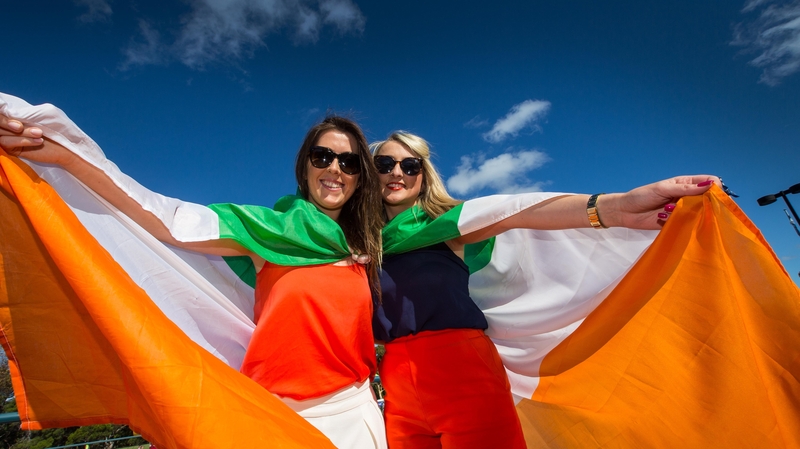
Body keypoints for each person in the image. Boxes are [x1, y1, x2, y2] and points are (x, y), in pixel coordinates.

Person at [0, 114, 388, 449]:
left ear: (358, 178)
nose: (335, 168)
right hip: (272, 416)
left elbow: (432, 220)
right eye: (323, 156)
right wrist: (67, 157)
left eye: (350, 162)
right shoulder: (266, 233)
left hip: (352, 416)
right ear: (305, 167)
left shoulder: (367, 248)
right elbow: (166, 218)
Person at [370, 131, 719, 449]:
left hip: (462, 371)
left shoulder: (447, 223)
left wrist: (617, 207)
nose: (397, 172)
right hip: (397, 385)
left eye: (410, 164)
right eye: (385, 164)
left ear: (422, 173)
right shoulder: (359, 246)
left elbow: (514, 212)